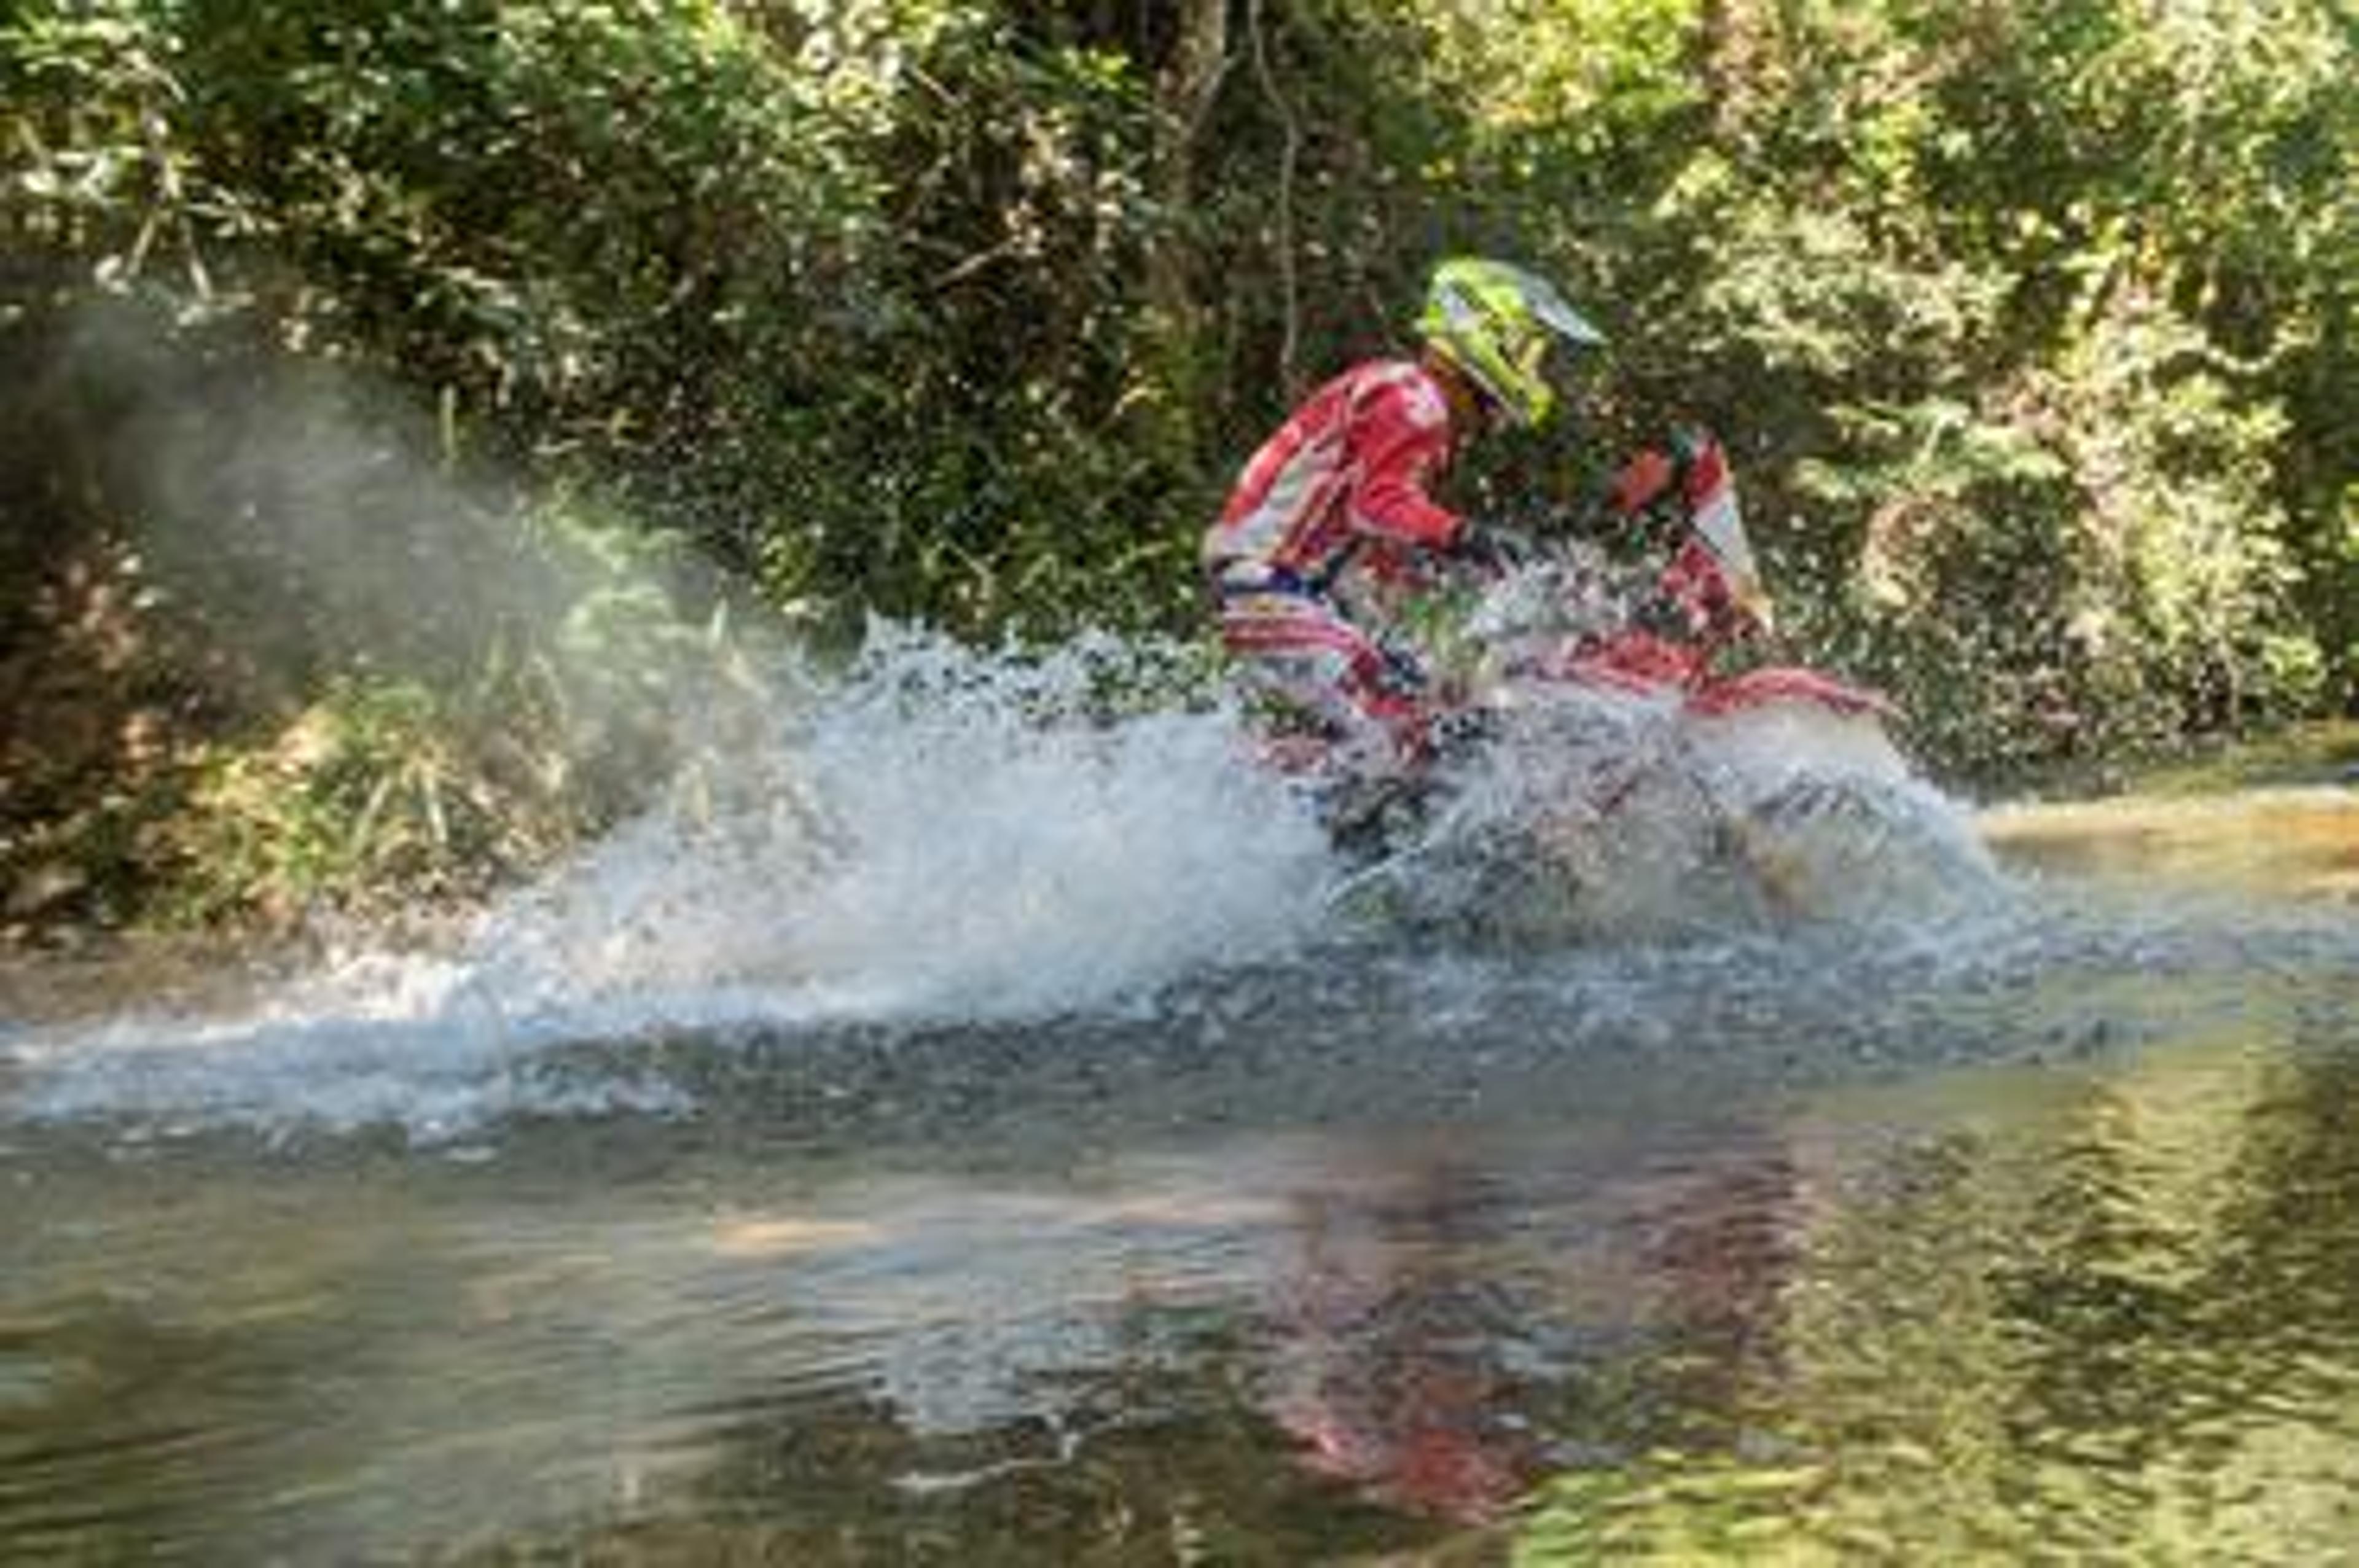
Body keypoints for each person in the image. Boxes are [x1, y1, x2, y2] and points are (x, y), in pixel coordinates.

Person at [1202, 257, 1608, 782]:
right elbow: (1376, 505)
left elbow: (1375, 540)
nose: (1535, 369)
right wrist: (1470, 538)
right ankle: (1357, 819)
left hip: (1287, 589)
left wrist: (1449, 596)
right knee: (1401, 721)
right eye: (1530, 351)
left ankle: (1261, 788)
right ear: (1488, 334)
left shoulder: (1410, 398)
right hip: (1268, 585)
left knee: (1423, 702)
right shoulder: (1416, 399)